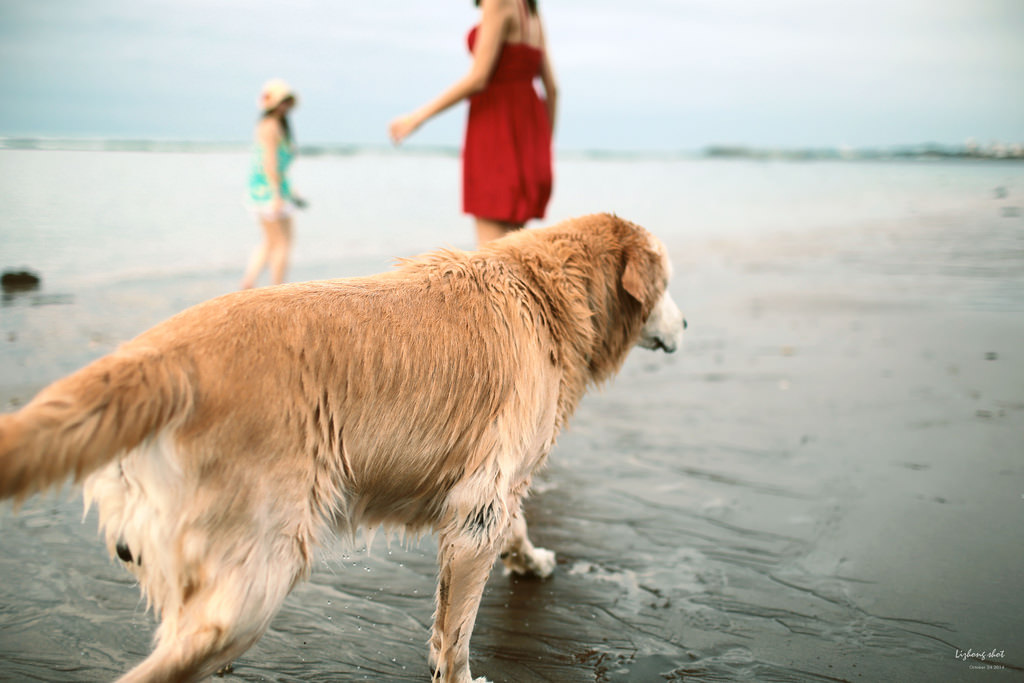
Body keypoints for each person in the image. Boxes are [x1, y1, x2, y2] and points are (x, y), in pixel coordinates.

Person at [389, 0, 557, 245]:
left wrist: (416, 118)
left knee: (490, 263)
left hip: (494, 133)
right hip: (529, 139)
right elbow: (552, 90)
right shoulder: (530, 10)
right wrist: (542, 149)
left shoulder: (498, 2)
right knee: (513, 256)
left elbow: (478, 78)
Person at [241, 79, 306, 289]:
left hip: (269, 188)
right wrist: (276, 194)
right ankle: (276, 289)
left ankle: (249, 284)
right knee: (282, 243)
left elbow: (277, 165)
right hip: (269, 190)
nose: (284, 106)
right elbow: (269, 162)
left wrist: (291, 191)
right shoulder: (270, 126)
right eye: (281, 101)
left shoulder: (277, 125)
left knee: (270, 243)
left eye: (287, 101)